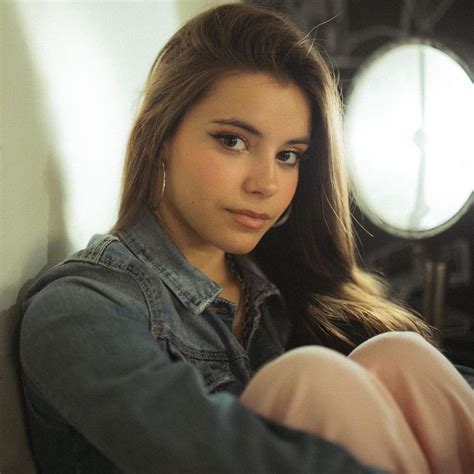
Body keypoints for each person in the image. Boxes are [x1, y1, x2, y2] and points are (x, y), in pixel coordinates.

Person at [19, 3, 474, 473]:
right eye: (233, 141)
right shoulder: (79, 309)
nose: (266, 184)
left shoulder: (278, 289)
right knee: (313, 378)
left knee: (395, 354)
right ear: (159, 138)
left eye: (289, 155)